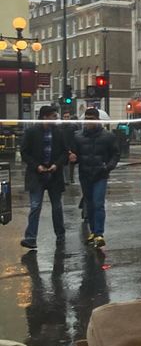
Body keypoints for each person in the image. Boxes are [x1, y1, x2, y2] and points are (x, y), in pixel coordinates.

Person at [70, 107, 120, 249]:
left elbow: (115, 154)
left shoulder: (108, 136)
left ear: (98, 120)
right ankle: (93, 231)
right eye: (87, 119)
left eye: (91, 119)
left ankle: (99, 233)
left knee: (98, 203)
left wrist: (107, 167)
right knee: (89, 204)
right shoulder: (78, 136)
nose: (88, 121)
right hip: (85, 175)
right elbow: (76, 155)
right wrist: (73, 158)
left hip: (100, 175)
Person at [19, 104, 68, 251]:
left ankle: (60, 234)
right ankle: (31, 238)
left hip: (54, 174)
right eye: (54, 116)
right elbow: (24, 152)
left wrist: (56, 165)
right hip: (37, 174)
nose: (56, 119)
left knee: (57, 207)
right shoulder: (32, 132)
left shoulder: (58, 133)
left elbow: (65, 152)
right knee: (35, 206)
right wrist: (37, 166)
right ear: (45, 117)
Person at [61, 110, 79, 183]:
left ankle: (71, 178)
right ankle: (66, 179)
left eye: (67, 117)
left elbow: (76, 137)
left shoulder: (74, 126)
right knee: (64, 163)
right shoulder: (60, 126)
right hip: (63, 147)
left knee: (72, 164)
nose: (66, 118)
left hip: (72, 146)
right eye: (65, 117)